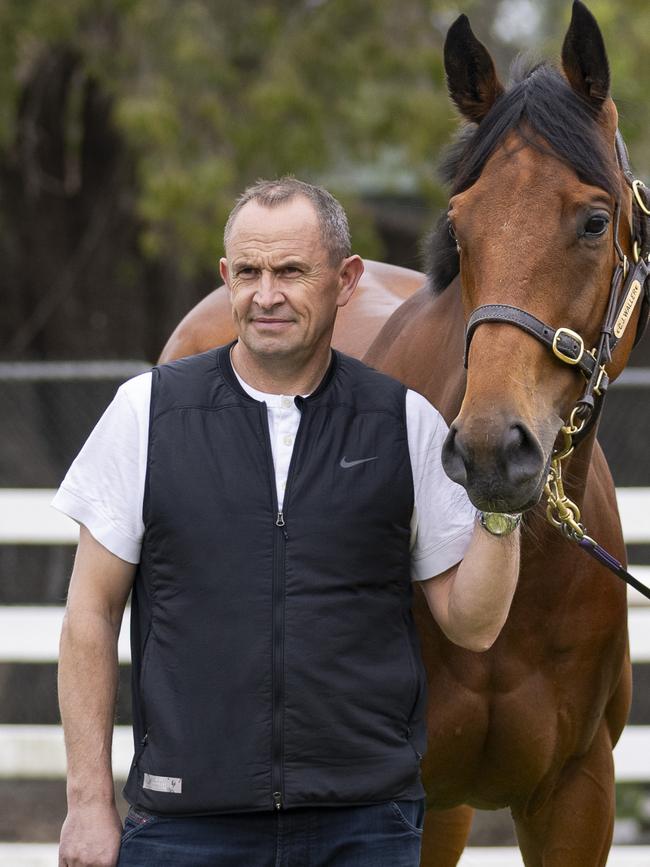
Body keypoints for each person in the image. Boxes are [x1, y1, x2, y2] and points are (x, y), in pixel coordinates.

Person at [54, 177, 520, 867]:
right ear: (226, 277)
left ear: (346, 279)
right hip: (185, 824)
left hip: (363, 827)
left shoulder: (404, 423)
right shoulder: (146, 414)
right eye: (248, 272)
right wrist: (89, 802)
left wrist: (503, 508)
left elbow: (471, 622)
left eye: (291, 271)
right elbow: (90, 612)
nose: (265, 294)